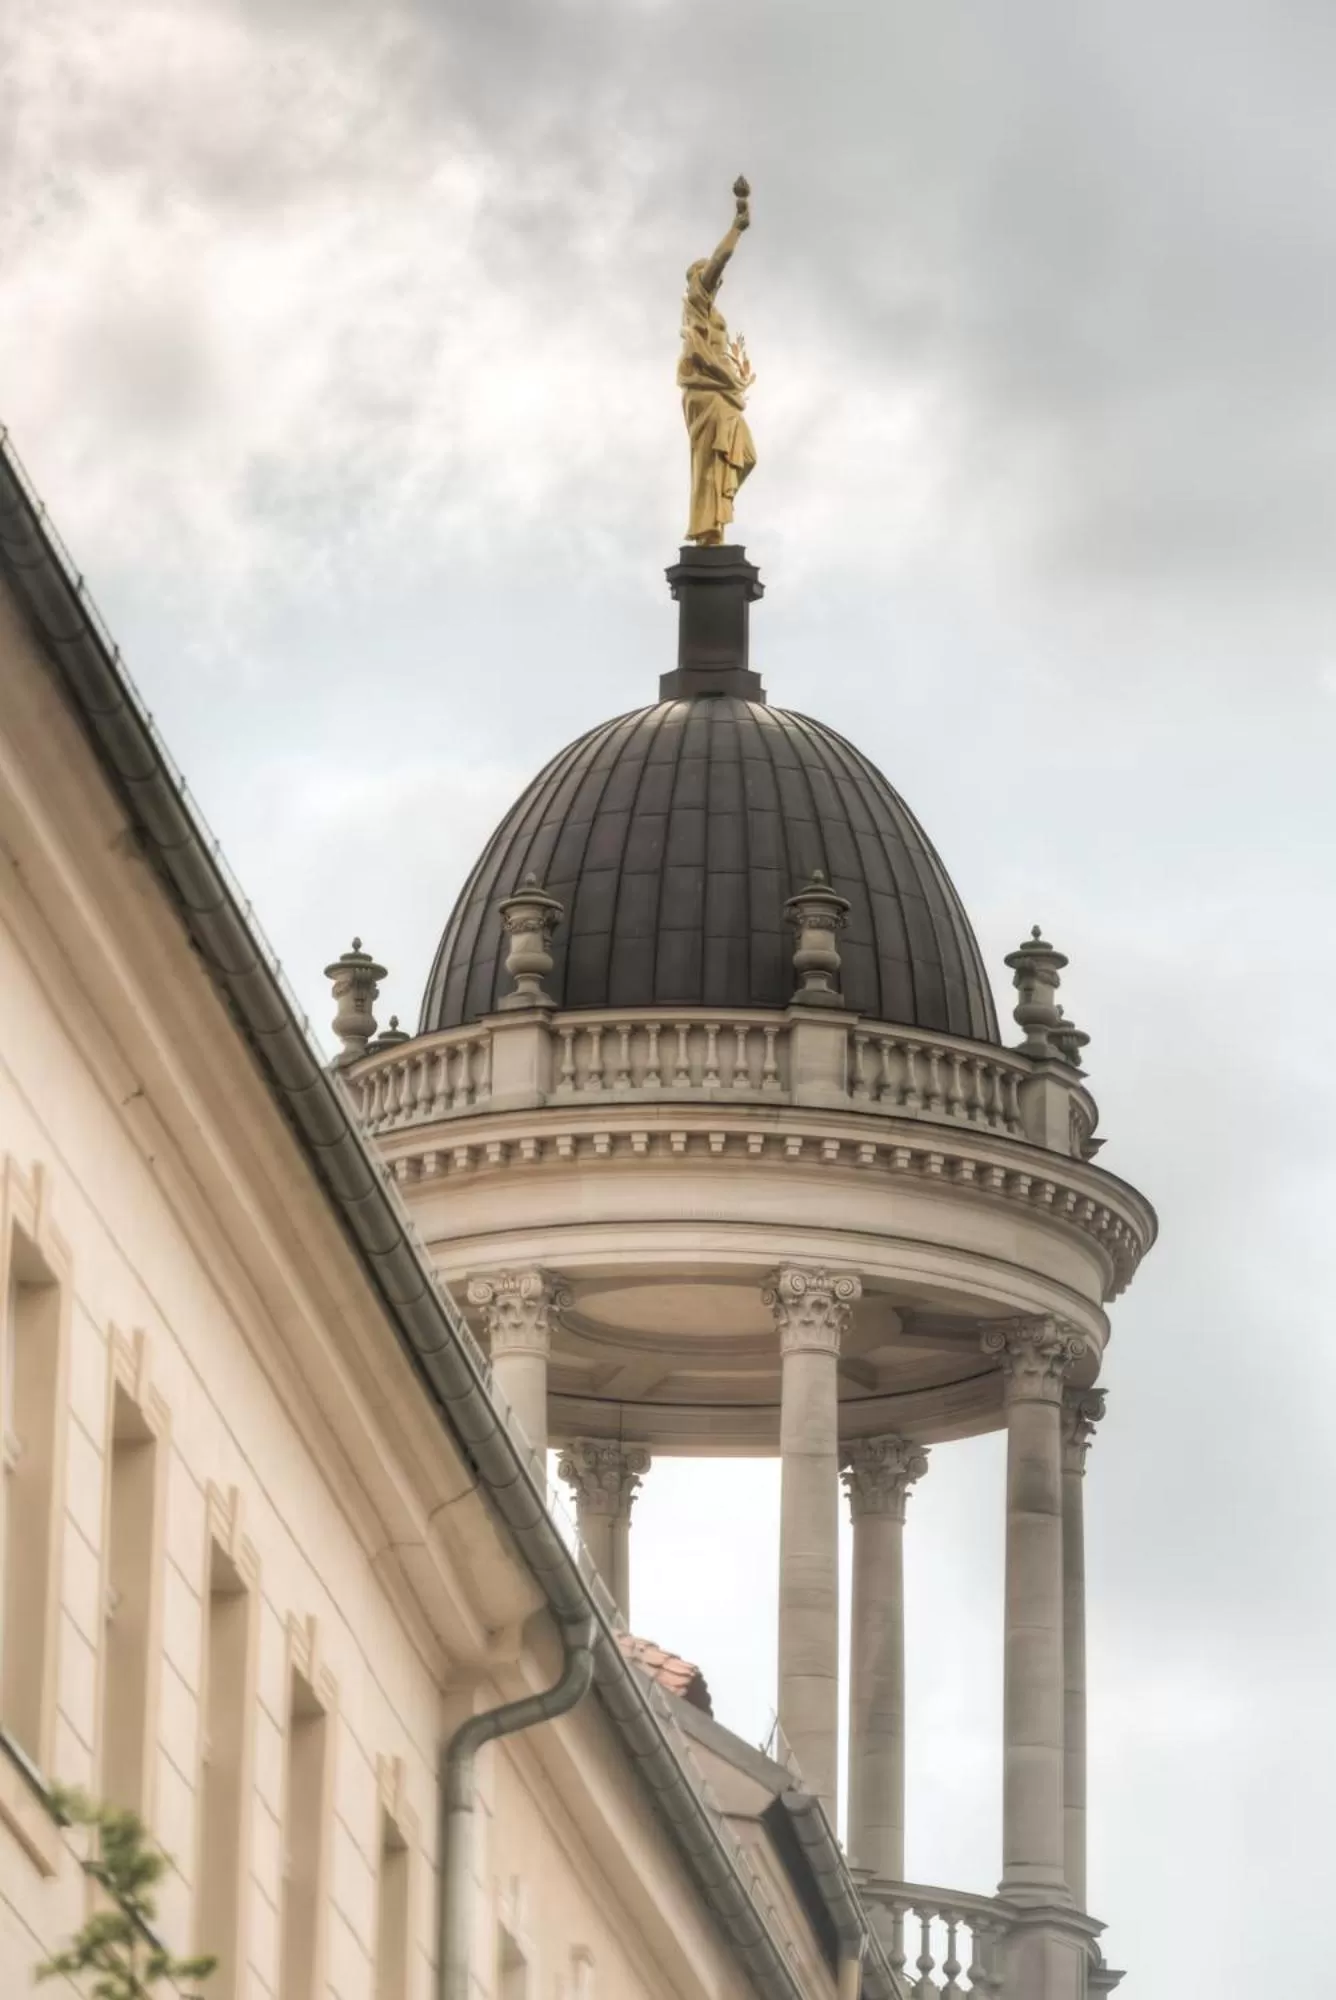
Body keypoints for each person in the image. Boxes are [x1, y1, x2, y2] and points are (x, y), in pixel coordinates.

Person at [678, 184, 757, 545]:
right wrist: (737, 228)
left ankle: (715, 521)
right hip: (707, 392)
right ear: (699, 278)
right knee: (710, 462)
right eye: (707, 272)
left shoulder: (710, 313)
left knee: (744, 457)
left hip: (721, 391)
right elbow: (719, 259)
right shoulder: (697, 299)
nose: (715, 278)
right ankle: (710, 530)